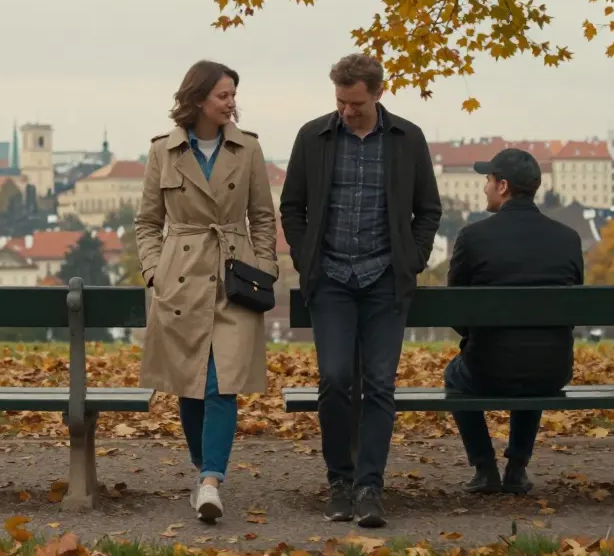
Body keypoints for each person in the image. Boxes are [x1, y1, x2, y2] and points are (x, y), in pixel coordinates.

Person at [279, 53, 442, 528]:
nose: (346, 111)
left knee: (379, 384)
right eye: (339, 101)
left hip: (385, 281)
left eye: (354, 102)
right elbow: (293, 207)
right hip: (329, 279)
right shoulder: (313, 136)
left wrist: (410, 260)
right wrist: (305, 256)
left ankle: (371, 486)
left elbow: (427, 210)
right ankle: (340, 482)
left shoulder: (407, 139)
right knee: (332, 379)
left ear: (377, 94)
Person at [134, 60, 279, 525]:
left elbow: (261, 215)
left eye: (233, 93)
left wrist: (266, 267)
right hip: (179, 275)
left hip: (235, 275)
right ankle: (203, 473)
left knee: (223, 382)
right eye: (223, 95)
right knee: (189, 386)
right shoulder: (164, 151)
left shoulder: (248, 148)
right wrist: (155, 270)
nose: (231, 102)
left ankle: (212, 479)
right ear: (197, 99)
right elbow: (147, 221)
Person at [444, 147, 584, 495]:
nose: (484, 188)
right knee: (536, 355)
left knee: (454, 376)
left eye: (488, 180)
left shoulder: (473, 237)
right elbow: (573, 308)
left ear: (503, 185)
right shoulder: (568, 238)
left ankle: (484, 467)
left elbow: (455, 308)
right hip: (552, 371)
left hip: (487, 369)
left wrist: (476, 336)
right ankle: (517, 467)